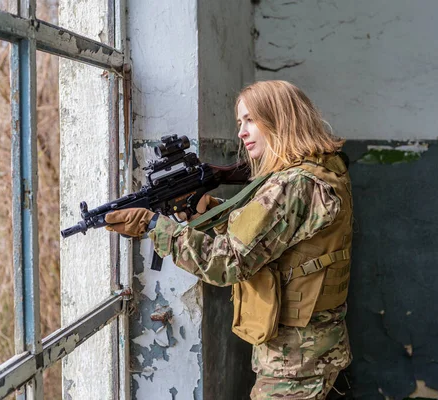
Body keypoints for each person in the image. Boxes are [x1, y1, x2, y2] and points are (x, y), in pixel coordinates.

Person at [105, 80, 353, 399]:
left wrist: (154, 226)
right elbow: (273, 233)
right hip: (313, 348)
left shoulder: (290, 186)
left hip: (295, 360)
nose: (242, 132)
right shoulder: (319, 168)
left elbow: (228, 264)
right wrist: (209, 209)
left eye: (251, 120)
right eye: (240, 122)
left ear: (280, 118)